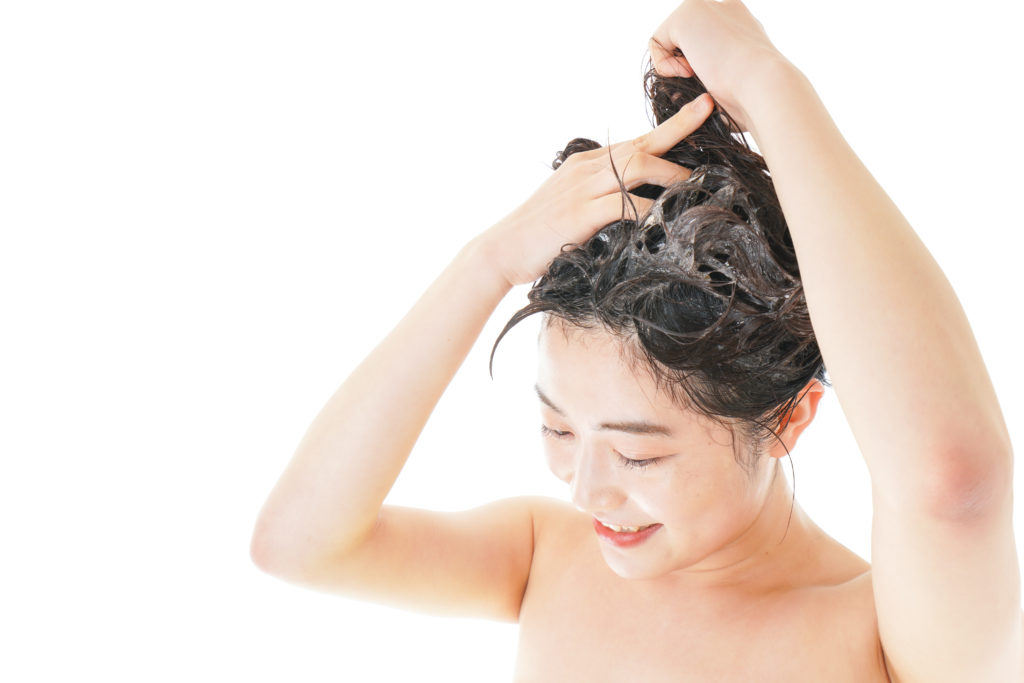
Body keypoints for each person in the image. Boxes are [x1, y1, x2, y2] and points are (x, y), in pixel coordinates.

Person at [250, 1, 1022, 680]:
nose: (584, 490)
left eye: (637, 454)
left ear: (789, 417)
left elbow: (950, 481)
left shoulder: (881, 642)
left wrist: (771, 86)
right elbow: (298, 541)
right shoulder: (546, 556)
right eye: (558, 428)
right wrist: (487, 262)